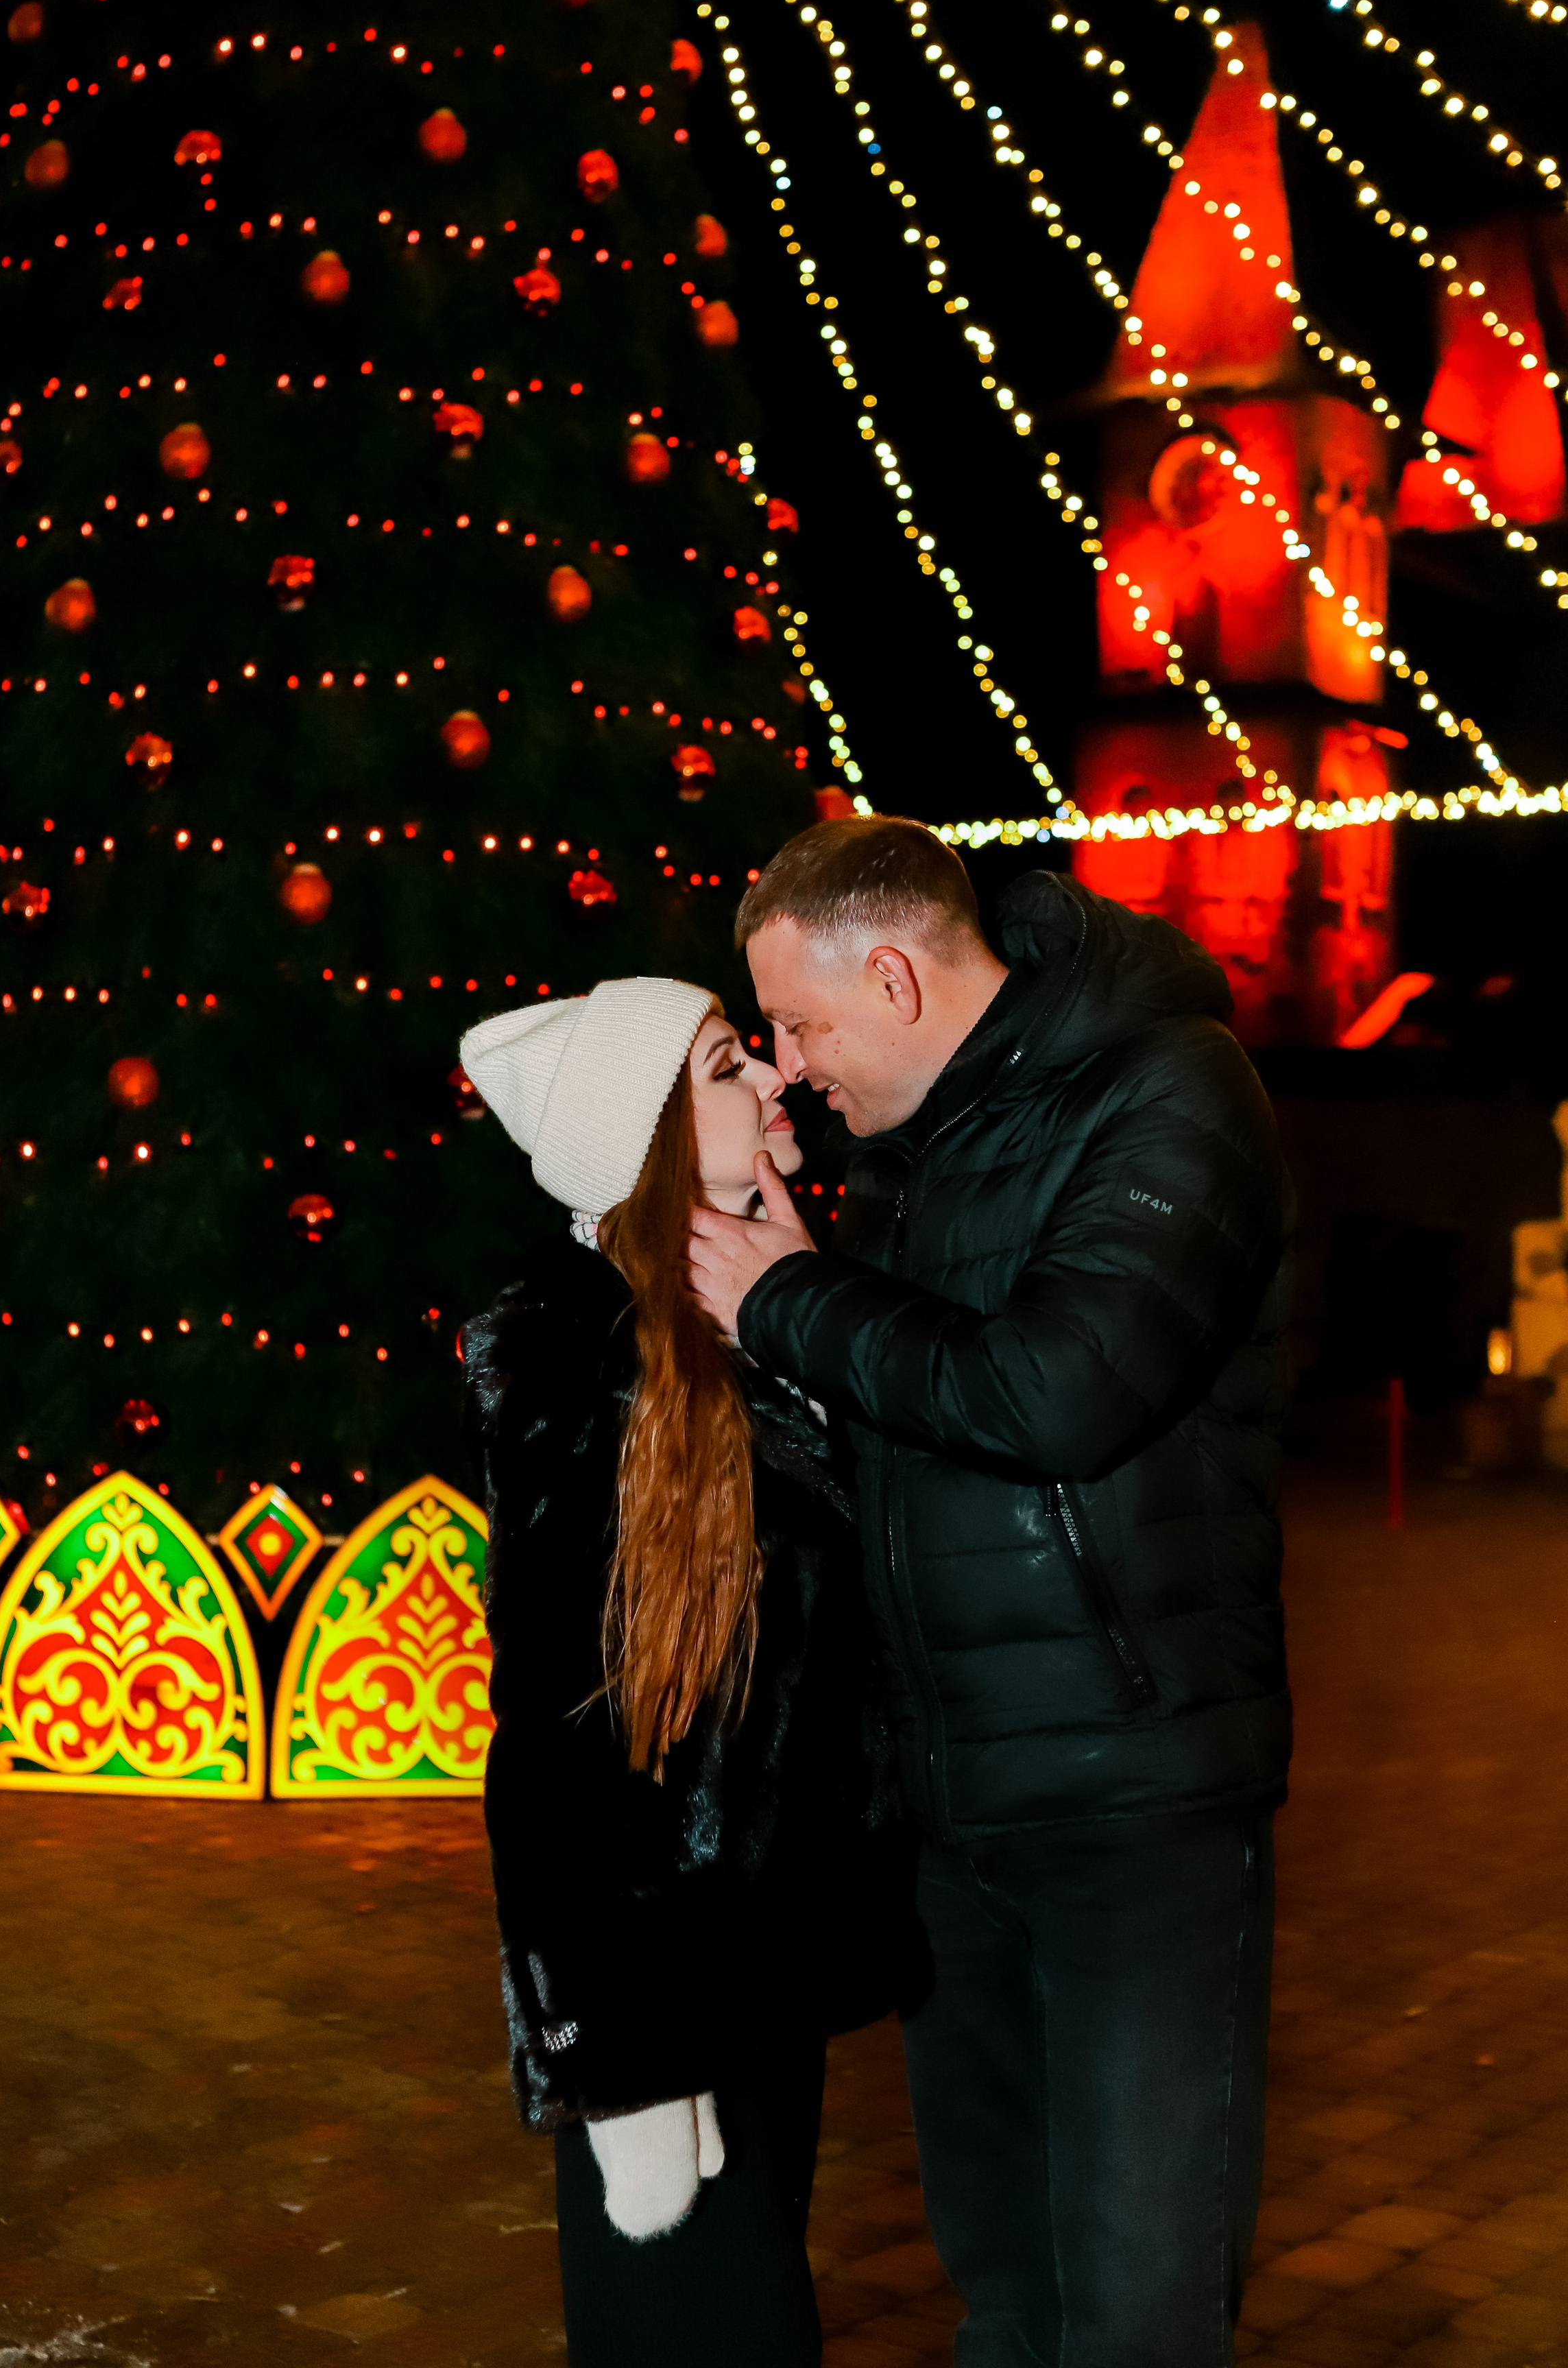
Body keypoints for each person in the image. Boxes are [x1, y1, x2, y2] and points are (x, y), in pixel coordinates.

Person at [686, 818, 1292, 2368]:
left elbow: (1055, 1394)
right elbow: (895, 1418)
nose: (791, 1064)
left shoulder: (1172, 1091)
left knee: (1134, 2307)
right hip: (949, 1812)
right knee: (1006, 2295)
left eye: (802, 1024)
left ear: (890, 974)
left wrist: (791, 1298)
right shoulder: (902, 1150)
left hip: (1128, 1806)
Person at [458, 976, 925, 2368]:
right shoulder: (573, 1354)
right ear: (647, 1132)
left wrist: (806, 1306)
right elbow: (555, 1729)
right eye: (727, 1066)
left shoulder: (739, 1309)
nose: (769, 1081)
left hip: (767, 1945)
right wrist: (613, 2061)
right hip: (662, 1986)